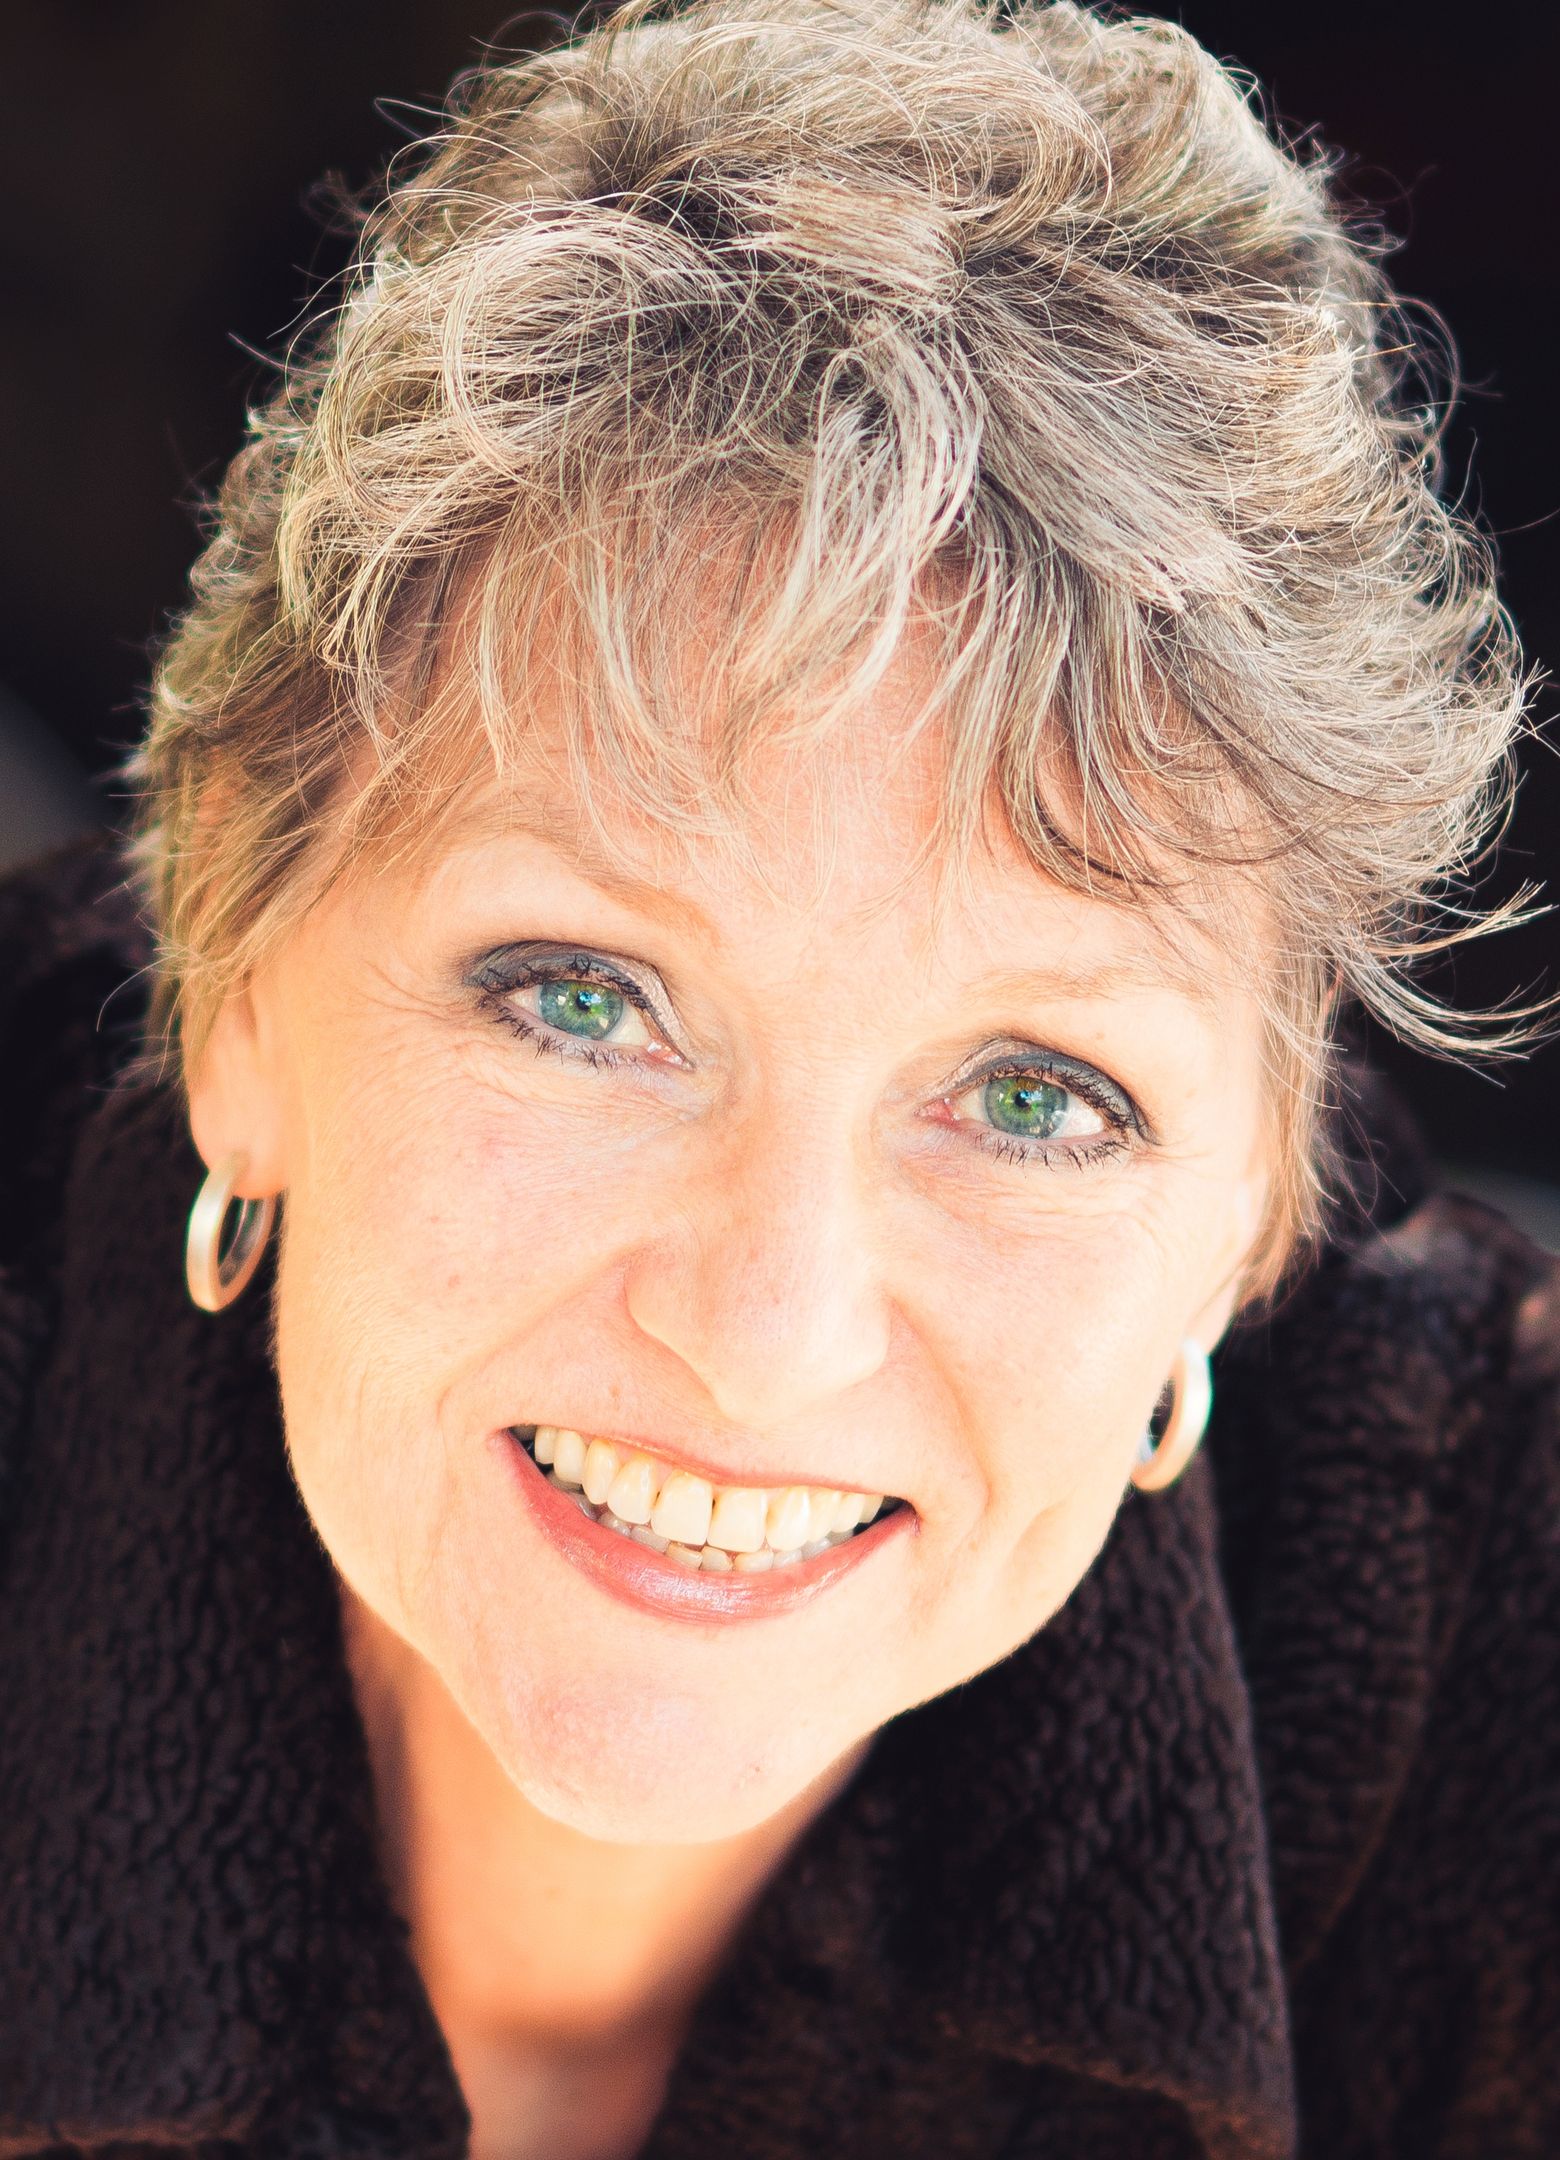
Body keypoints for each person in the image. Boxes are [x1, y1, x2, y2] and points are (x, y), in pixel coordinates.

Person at [1, 1, 1556, 2154]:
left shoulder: (1484, 1663)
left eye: (1038, 1098)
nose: (765, 1334)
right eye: (584, 999)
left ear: (1250, 1214)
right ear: (233, 988)